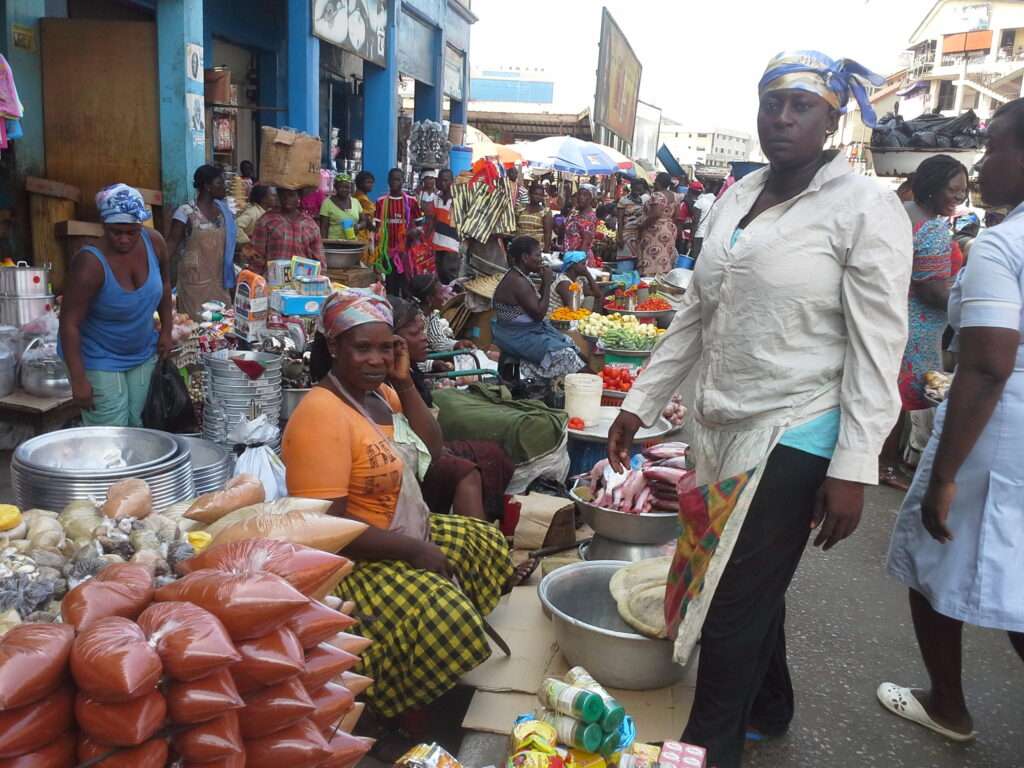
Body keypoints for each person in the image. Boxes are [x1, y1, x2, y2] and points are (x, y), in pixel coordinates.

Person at [607, 51, 908, 768]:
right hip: (722, 423)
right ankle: (770, 705)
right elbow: (696, 316)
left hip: (798, 426)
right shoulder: (737, 196)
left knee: (730, 598)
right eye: (771, 102)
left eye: (801, 105)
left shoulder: (866, 208)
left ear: (835, 119)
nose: (782, 118)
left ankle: (707, 750)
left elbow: (877, 347)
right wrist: (639, 403)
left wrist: (854, 465)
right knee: (749, 577)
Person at [282, 288, 513, 726]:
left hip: (393, 529)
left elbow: (433, 447)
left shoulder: (381, 395)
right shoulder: (320, 414)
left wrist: (405, 382)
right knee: (443, 610)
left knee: (483, 543)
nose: (376, 360)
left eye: (386, 348)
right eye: (363, 348)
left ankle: (434, 665)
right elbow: (324, 526)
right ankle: (396, 705)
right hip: (350, 561)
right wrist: (411, 551)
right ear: (334, 347)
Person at [880, 98, 1024, 743]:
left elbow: (987, 365)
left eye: (993, 147)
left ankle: (948, 704)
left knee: (930, 560)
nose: (982, 163)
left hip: (997, 430)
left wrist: (943, 474)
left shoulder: (1000, 244)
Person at [879, 155, 967, 490]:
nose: (959, 198)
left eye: (962, 192)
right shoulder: (931, 228)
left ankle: (886, 461)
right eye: (953, 190)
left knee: (892, 396)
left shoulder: (903, 214)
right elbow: (931, 290)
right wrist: (966, 302)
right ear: (932, 187)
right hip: (916, 325)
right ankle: (884, 465)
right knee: (901, 401)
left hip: (895, 317)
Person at [389, 295, 515, 523]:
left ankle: (488, 528)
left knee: (493, 454)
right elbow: (418, 444)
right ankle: (480, 541)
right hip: (408, 458)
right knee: (466, 471)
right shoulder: (389, 382)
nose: (425, 338)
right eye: (416, 333)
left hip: (425, 445)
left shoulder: (408, 372)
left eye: (423, 331)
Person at [59, 184, 172, 426]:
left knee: (142, 424)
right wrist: (79, 380)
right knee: (110, 432)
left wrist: (166, 330)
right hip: (98, 355)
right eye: (115, 232)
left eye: (131, 232)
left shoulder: (155, 243)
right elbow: (69, 324)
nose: (123, 239)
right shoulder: (89, 264)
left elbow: (164, 283)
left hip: (141, 351)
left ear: (141, 225)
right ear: (103, 225)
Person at [492, 236, 586, 380]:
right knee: (567, 354)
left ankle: (591, 379)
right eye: (537, 255)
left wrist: (544, 283)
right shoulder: (518, 282)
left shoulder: (519, 276)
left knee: (570, 343)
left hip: (524, 331)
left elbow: (536, 304)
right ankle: (591, 383)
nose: (541, 259)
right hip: (516, 336)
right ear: (524, 257)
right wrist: (548, 283)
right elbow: (539, 314)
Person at [165, 165, 237, 319]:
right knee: (194, 329)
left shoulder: (224, 213)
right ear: (207, 186)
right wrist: (158, 278)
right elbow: (169, 247)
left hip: (219, 282)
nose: (224, 187)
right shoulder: (186, 212)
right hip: (194, 285)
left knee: (222, 327)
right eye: (219, 183)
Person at [250, 187, 324, 274]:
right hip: (273, 281)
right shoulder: (266, 221)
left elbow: (319, 259)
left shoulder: (310, 225)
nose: (286, 199)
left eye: (291, 195)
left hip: (303, 282)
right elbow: (257, 255)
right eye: (282, 195)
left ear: (299, 197)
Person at [375, 168, 422, 294]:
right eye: (392, 179)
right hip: (388, 252)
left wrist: (413, 233)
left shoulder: (412, 201)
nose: (395, 182)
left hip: (407, 253)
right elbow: (377, 228)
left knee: (408, 285)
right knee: (391, 285)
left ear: (403, 181)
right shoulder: (381, 202)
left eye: (398, 179)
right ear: (388, 181)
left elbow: (420, 226)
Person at [637, 172, 679, 276]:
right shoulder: (675, 196)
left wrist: (643, 226)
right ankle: (661, 281)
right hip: (669, 229)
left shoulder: (657, 195)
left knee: (651, 258)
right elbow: (677, 215)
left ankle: (649, 283)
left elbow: (655, 214)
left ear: (659, 183)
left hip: (655, 230)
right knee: (664, 258)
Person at [235, 184, 277, 270]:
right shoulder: (252, 212)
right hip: (250, 255)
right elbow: (236, 226)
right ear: (263, 199)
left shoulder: (267, 213)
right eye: (272, 196)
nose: (275, 198)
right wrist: (247, 242)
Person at [549, 251, 601, 317]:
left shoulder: (578, 281)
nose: (585, 267)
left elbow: (597, 294)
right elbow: (573, 309)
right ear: (573, 265)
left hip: (567, 317)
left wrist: (588, 274)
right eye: (583, 264)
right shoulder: (564, 283)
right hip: (555, 319)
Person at [430, 169, 460, 284]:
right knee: (441, 272)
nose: (443, 183)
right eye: (441, 180)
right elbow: (433, 220)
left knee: (449, 272)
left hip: (452, 244)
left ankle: (455, 298)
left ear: (452, 181)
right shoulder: (436, 198)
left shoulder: (457, 200)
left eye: (446, 181)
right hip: (438, 243)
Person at [320, 172, 366, 241]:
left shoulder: (355, 202)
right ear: (335, 187)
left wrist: (358, 226)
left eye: (347, 187)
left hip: (352, 243)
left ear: (351, 188)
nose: (344, 190)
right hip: (334, 244)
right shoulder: (327, 203)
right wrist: (324, 245)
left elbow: (364, 221)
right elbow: (324, 227)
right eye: (341, 187)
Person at [616, 178, 649, 263]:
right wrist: (619, 237)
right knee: (625, 261)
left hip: (639, 236)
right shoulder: (623, 200)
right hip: (626, 235)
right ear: (632, 187)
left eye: (640, 190)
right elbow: (620, 220)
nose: (638, 192)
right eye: (636, 189)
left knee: (637, 261)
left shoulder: (643, 201)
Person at [564, 188, 598, 266]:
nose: (581, 197)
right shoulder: (575, 214)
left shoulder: (590, 217)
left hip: (579, 260)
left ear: (591, 198)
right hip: (570, 256)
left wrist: (578, 261)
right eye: (579, 194)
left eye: (585, 195)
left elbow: (586, 242)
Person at [516, 182, 553, 252]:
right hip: (520, 248)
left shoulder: (545, 212)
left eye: (540, 195)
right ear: (529, 194)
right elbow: (516, 226)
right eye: (535, 194)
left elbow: (548, 233)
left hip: (536, 250)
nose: (537, 197)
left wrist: (546, 250)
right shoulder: (521, 208)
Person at [690, 180, 718, 259]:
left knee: (695, 258)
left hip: (699, 235)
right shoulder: (717, 202)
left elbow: (695, 221)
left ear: (705, 188)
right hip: (710, 236)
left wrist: (691, 238)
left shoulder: (700, 202)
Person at [354, 170, 377, 239]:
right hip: (362, 234)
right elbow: (367, 219)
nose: (371, 185)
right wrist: (376, 230)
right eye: (368, 182)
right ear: (360, 183)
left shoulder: (356, 196)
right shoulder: (362, 199)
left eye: (372, 182)